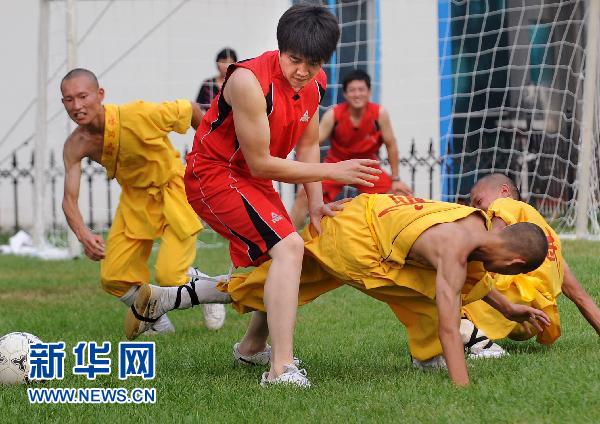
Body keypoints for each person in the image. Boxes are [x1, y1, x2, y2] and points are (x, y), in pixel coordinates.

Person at [128, 4, 382, 387]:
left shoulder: (314, 83)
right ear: (280, 48)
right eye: (295, 60)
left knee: (284, 260)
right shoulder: (248, 81)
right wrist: (335, 170)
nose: (302, 71)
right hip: (214, 175)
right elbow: (262, 163)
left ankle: (233, 337)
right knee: (289, 250)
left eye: (312, 64)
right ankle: (280, 369)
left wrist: (316, 204)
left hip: (250, 178)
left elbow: (309, 144)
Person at [126, 193, 550, 387]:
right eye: (507, 274)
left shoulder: (480, 225)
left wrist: (509, 307)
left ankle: (174, 296)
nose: (498, 276)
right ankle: (430, 359)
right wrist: (463, 388)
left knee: (279, 283)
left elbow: (472, 279)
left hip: (365, 215)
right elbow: (447, 318)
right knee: (426, 294)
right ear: (512, 259)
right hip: (358, 242)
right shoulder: (457, 253)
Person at [60, 68, 226, 334]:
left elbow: (191, 110)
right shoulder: (75, 145)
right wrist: (83, 235)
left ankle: (206, 285)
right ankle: (154, 321)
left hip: (172, 191)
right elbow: (69, 199)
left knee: (170, 277)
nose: (77, 106)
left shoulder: (137, 114)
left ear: (100, 94)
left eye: (83, 96)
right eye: (69, 100)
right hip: (134, 202)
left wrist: (215, 156)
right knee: (113, 277)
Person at [461, 173, 600, 355]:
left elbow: (492, 241)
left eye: (478, 201)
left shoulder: (505, 204)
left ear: (504, 192)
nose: (475, 208)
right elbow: (581, 297)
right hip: (536, 319)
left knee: (444, 294)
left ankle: (480, 345)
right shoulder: (547, 240)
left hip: (513, 299)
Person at [290, 69, 412, 228]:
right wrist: (306, 175)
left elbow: (391, 145)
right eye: (352, 90)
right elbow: (311, 144)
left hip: (367, 168)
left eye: (361, 90)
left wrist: (396, 179)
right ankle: (289, 236)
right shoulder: (334, 114)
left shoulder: (379, 114)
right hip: (337, 165)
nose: (357, 94)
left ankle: (400, 239)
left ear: (369, 92)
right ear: (345, 94)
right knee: (303, 195)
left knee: (401, 194)